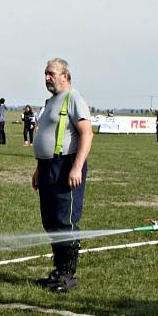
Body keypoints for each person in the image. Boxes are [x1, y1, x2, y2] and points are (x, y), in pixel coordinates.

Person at [32, 58, 93, 293]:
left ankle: (67, 275)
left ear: (65, 75)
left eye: (51, 73)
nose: (47, 77)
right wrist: (39, 169)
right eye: (45, 73)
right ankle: (58, 271)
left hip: (65, 165)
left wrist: (76, 167)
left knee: (64, 220)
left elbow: (86, 134)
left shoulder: (73, 98)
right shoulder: (50, 102)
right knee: (50, 220)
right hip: (47, 167)